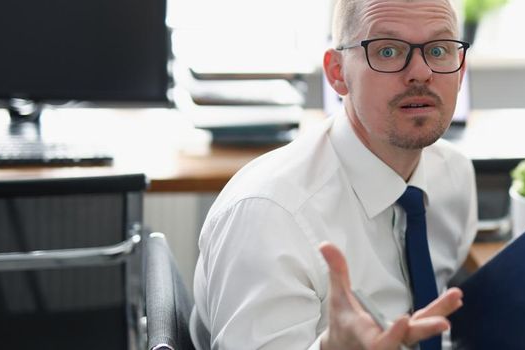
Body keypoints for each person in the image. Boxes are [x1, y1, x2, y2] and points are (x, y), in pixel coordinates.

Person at [189, 0, 477, 348]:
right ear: (337, 73)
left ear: (460, 71)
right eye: (387, 50)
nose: (420, 71)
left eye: (439, 50)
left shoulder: (454, 175)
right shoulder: (269, 215)